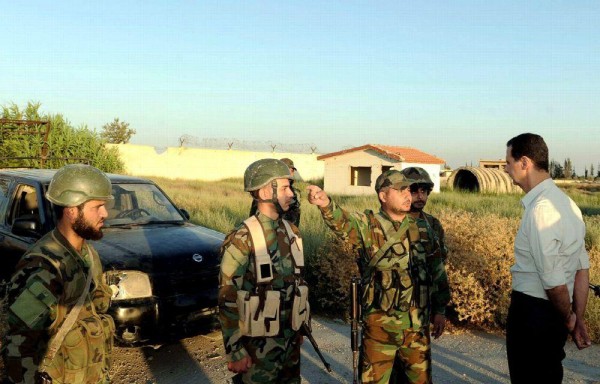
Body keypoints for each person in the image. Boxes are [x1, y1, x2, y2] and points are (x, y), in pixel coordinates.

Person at [307, 170, 450, 384]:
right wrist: (326, 204)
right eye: (400, 190)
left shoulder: (423, 229)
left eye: (408, 189)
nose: (407, 195)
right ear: (383, 196)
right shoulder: (368, 225)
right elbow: (344, 222)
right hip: (380, 327)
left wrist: (439, 309)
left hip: (416, 326)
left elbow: (437, 270)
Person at [2, 164, 115, 384]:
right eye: (98, 206)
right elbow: (20, 344)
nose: (105, 213)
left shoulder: (89, 255)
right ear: (72, 210)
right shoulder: (44, 267)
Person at [504, 133, 591, 383]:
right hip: (552, 313)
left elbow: (553, 282)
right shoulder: (568, 205)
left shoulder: (541, 210)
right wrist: (578, 317)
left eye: (508, 162)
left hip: (534, 313)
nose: (506, 169)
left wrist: (569, 318)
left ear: (524, 162)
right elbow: (581, 269)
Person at [219, 158, 310, 384]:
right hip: (258, 348)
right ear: (266, 190)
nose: (291, 193)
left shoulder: (292, 232)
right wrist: (235, 350)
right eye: (286, 187)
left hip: (289, 342)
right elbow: (227, 297)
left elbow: (296, 284)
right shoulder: (242, 238)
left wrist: (300, 327)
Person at [249, 158, 301, 227]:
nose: (289, 173)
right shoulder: (267, 190)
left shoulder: (296, 193)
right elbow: (255, 212)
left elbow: (296, 214)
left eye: (292, 170)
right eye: (286, 170)